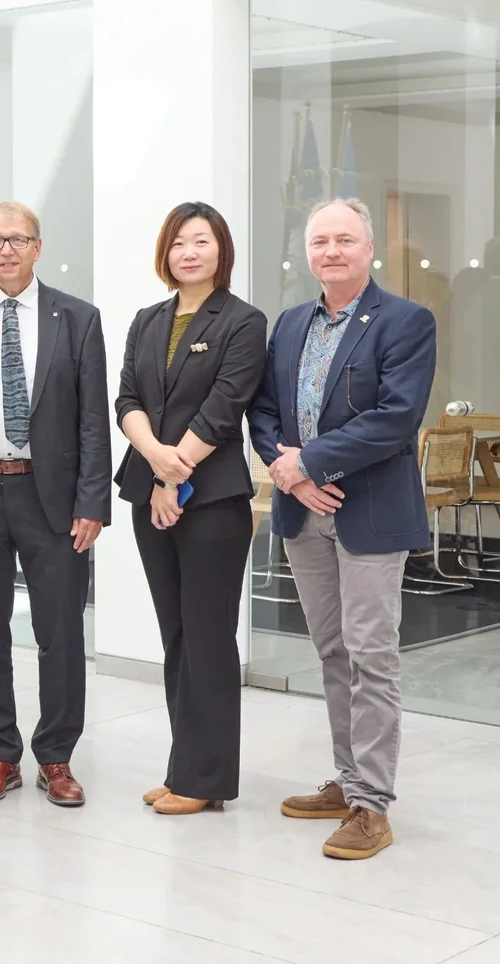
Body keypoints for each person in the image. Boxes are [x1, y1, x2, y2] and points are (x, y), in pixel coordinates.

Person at [250, 197, 435, 861]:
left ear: (367, 249)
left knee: (370, 654)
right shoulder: (291, 323)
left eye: (344, 240)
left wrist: (310, 461)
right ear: (307, 252)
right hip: (304, 511)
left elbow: (395, 416)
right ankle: (348, 780)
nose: (331, 250)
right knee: (331, 651)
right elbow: (264, 410)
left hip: (370, 513)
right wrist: (291, 474)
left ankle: (372, 806)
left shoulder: (405, 321)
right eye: (320, 241)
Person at [0, 200, 111, 807]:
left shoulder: (78, 318)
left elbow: (94, 420)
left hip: (55, 498)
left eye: (17, 239)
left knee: (60, 631)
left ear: (38, 247)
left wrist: (93, 500)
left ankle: (57, 757)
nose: (5, 250)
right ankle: (0, 754)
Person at [116, 202, 265, 816]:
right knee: (175, 636)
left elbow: (225, 406)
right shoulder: (148, 319)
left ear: (220, 249)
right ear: (165, 253)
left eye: (201, 241)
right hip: (152, 492)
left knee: (207, 637)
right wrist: (156, 462)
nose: (189, 252)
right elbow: (126, 395)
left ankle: (206, 780)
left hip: (213, 500)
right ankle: (185, 768)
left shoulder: (243, 321)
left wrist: (175, 473)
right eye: (178, 242)